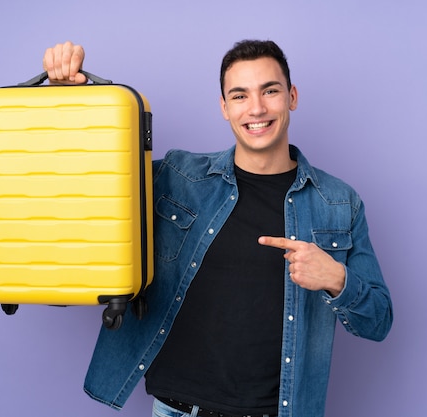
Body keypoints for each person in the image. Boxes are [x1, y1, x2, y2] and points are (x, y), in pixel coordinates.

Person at [43, 40, 393, 417]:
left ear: (292, 96)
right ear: (224, 108)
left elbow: (378, 321)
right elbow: (87, 182)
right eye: (240, 96)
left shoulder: (339, 203)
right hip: (177, 410)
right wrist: (72, 101)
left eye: (270, 91)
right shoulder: (177, 176)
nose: (256, 108)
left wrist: (337, 279)